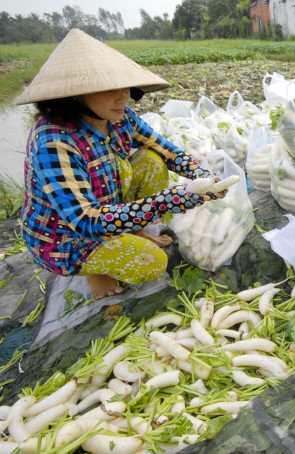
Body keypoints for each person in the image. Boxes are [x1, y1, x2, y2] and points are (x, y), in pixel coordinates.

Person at [17, 29, 222, 300]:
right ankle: (93, 270)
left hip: (108, 206)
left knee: (152, 160)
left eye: (125, 86)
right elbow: (85, 221)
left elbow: (167, 151)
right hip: (67, 236)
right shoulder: (54, 141)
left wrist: (200, 174)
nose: (123, 96)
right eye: (110, 89)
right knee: (151, 262)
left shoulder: (120, 117)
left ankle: (135, 231)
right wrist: (169, 200)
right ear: (77, 94)